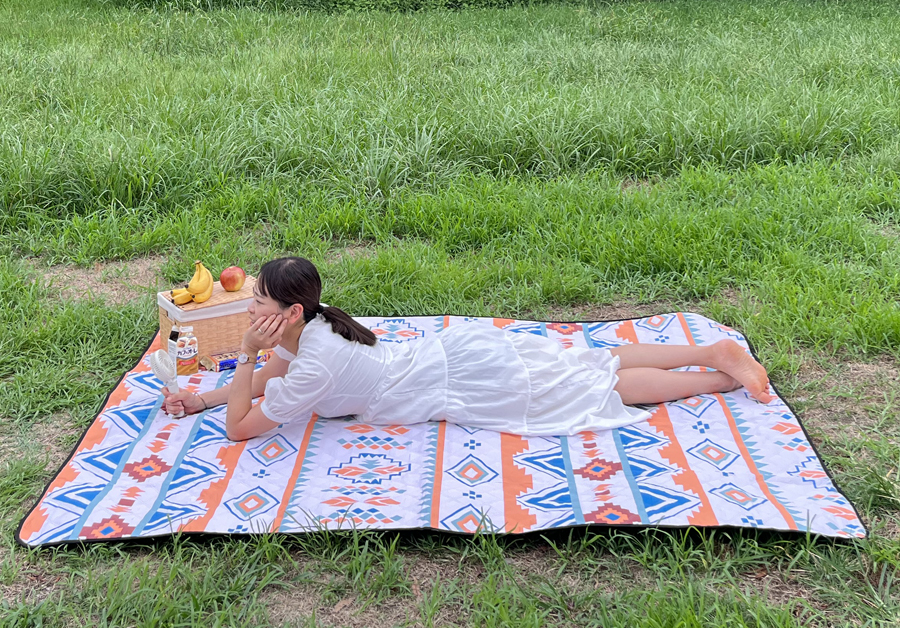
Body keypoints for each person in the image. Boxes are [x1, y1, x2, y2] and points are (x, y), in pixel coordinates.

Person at [161, 257, 773, 441]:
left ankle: (717, 375)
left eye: (258, 302)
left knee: (590, 386)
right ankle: (711, 354)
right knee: (585, 362)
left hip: (454, 379)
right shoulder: (315, 328)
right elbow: (267, 380)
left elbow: (242, 428)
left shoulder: (314, 361)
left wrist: (244, 355)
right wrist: (202, 398)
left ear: (290, 312)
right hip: (448, 356)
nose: (250, 310)